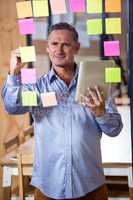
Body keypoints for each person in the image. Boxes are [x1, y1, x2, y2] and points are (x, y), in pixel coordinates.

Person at [2, 22, 123, 200]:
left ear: (76, 47)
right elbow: (12, 106)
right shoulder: (37, 87)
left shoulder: (96, 83)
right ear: (47, 48)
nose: (59, 50)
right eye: (54, 44)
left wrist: (101, 113)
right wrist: (13, 74)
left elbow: (115, 129)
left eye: (66, 44)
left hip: (91, 187)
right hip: (48, 188)